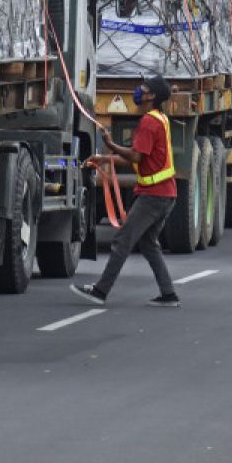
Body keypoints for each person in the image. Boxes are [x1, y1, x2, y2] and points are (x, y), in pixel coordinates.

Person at [71, 75, 181, 308]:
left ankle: (101, 290)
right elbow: (140, 158)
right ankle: (168, 294)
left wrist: (110, 146)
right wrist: (104, 158)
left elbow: (135, 156)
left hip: (154, 195)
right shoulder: (160, 119)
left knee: (123, 240)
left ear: (151, 97)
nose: (139, 90)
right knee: (149, 244)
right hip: (165, 193)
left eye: (144, 87)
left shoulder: (148, 123)